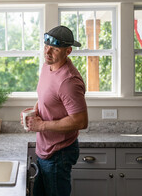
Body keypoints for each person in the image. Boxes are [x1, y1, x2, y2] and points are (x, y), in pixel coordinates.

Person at [22, 25, 88, 196]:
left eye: (55, 49)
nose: (48, 52)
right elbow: (47, 96)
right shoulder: (47, 66)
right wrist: (36, 110)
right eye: (46, 46)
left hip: (59, 153)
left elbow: (80, 121)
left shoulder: (69, 82)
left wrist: (41, 126)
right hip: (44, 149)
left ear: (68, 51)